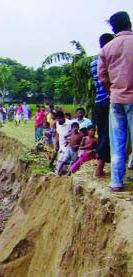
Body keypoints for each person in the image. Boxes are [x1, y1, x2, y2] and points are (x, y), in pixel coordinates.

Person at [98, 11, 133, 192]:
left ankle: (116, 182)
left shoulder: (107, 48)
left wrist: (111, 90)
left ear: (113, 28)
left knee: (117, 142)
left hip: (116, 98)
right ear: (130, 23)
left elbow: (102, 76)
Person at [92, 33, 115, 177]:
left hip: (98, 101)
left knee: (102, 133)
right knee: (110, 133)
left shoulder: (93, 61)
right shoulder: (108, 58)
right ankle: (100, 167)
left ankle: (100, 167)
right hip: (108, 98)